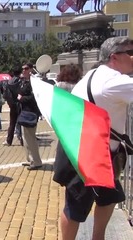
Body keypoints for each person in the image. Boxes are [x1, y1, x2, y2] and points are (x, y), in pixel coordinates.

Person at [54, 37, 133, 240]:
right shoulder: (113, 81)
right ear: (114, 57)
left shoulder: (94, 74)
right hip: (88, 154)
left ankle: (98, 238)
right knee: (75, 207)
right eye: (131, 53)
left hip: (89, 149)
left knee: (108, 197)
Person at [18, 63, 42, 170]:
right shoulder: (25, 82)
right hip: (25, 112)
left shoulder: (34, 82)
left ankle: (36, 161)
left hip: (31, 113)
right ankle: (31, 160)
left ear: (31, 69)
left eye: (26, 68)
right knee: (26, 138)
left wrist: (21, 98)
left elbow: (33, 97)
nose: (23, 70)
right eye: (22, 69)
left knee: (31, 138)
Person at [3, 66, 23, 146]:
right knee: (22, 123)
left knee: (12, 123)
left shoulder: (9, 82)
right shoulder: (21, 81)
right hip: (20, 103)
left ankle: (9, 141)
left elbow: (5, 95)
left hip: (12, 104)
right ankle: (22, 140)